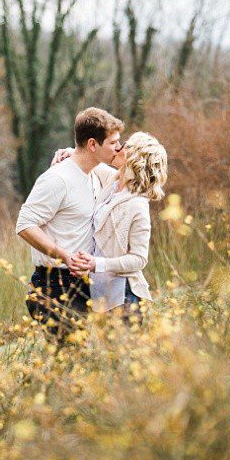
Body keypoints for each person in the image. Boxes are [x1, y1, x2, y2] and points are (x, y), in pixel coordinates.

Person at [15, 108, 122, 342]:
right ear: (93, 144)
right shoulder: (57, 179)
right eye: (113, 142)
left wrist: (72, 150)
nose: (118, 147)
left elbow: (134, 170)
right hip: (53, 285)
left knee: (75, 366)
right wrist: (64, 255)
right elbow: (25, 224)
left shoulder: (96, 173)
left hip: (82, 284)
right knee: (69, 365)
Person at [88, 131, 167, 323]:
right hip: (101, 295)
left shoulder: (138, 204)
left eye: (125, 145)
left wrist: (97, 264)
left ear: (134, 157)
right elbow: (88, 161)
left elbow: (139, 259)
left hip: (126, 298)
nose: (118, 148)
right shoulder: (113, 183)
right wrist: (66, 152)